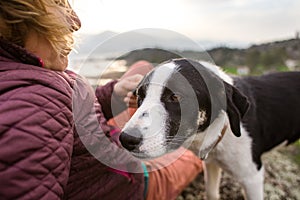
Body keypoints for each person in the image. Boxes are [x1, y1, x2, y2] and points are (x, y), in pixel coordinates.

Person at [0, 1, 203, 199]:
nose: (75, 21)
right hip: (133, 181)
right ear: (11, 18)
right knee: (193, 155)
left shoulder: (25, 78)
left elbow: (70, 114)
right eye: (58, 3)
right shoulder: (38, 101)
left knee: (141, 68)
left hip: (103, 143)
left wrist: (112, 94)